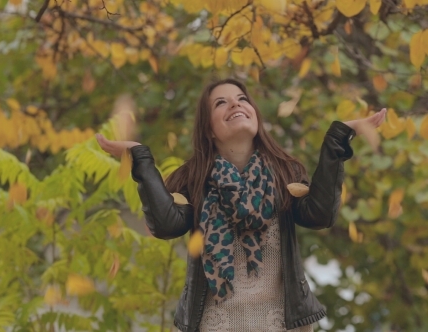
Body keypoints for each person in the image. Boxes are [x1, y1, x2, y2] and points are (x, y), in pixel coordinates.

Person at [96, 78, 386, 332]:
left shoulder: (285, 173)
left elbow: (320, 215)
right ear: (208, 129)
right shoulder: (193, 178)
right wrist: (141, 159)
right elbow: (166, 224)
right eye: (221, 103)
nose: (235, 105)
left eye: (242, 99)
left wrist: (336, 140)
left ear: (255, 115)